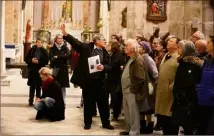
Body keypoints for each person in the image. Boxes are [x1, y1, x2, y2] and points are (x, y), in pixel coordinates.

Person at [61, 24, 113, 130]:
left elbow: (110, 66)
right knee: (88, 102)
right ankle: (87, 123)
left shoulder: (105, 52)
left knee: (103, 103)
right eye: (103, 40)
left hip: (100, 81)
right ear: (97, 41)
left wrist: (103, 67)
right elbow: (76, 43)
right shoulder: (86, 47)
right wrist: (66, 34)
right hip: (88, 80)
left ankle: (106, 123)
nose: (105, 41)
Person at [171, 40, 203, 135]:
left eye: (180, 48)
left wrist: (181, 95)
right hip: (180, 100)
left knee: (188, 126)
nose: (178, 49)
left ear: (186, 50)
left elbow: (190, 82)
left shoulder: (192, 65)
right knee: (182, 124)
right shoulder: (183, 62)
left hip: (187, 101)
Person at [155, 36, 180, 135]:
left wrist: (171, 87)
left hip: (171, 95)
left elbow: (179, 76)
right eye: (168, 40)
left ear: (177, 45)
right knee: (163, 121)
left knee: (171, 123)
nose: (168, 42)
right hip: (162, 94)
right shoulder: (165, 56)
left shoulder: (178, 58)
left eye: (171, 41)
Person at [119, 39, 146, 135]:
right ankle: (129, 129)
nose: (124, 47)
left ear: (133, 48)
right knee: (127, 112)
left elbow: (140, 78)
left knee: (133, 113)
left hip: (132, 91)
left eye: (127, 46)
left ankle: (134, 132)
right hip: (125, 90)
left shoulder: (137, 59)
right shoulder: (130, 58)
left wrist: (133, 89)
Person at [97, 42, 123, 121]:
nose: (107, 45)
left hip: (115, 80)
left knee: (115, 98)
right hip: (108, 79)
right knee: (106, 96)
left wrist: (103, 67)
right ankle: (107, 114)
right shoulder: (110, 54)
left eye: (109, 44)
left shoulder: (118, 56)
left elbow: (113, 67)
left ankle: (116, 114)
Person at [138, 41, 158, 134]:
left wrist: (152, 84)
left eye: (139, 46)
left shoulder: (148, 59)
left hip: (148, 86)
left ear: (144, 49)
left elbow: (155, 74)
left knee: (148, 106)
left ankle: (149, 125)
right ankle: (142, 125)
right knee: (141, 106)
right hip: (141, 86)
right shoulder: (140, 58)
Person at [197, 35, 214, 135]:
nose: (206, 45)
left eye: (209, 42)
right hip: (203, 100)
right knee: (203, 128)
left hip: (212, 101)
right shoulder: (207, 60)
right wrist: (199, 89)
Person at [24, 38, 49, 106]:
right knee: (32, 87)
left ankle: (37, 100)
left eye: (40, 42)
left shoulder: (44, 51)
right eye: (38, 42)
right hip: (32, 71)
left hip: (40, 71)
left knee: (38, 87)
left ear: (42, 43)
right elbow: (26, 59)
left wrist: (39, 62)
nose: (39, 43)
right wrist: (31, 60)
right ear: (36, 43)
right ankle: (30, 100)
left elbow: (46, 60)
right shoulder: (31, 50)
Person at [49, 34, 70, 105]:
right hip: (55, 69)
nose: (60, 40)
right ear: (56, 40)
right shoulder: (52, 49)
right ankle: (56, 100)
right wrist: (62, 57)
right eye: (58, 38)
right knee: (55, 85)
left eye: (61, 38)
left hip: (63, 69)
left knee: (63, 86)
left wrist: (57, 57)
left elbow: (67, 57)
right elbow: (51, 58)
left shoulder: (65, 48)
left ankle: (63, 101)